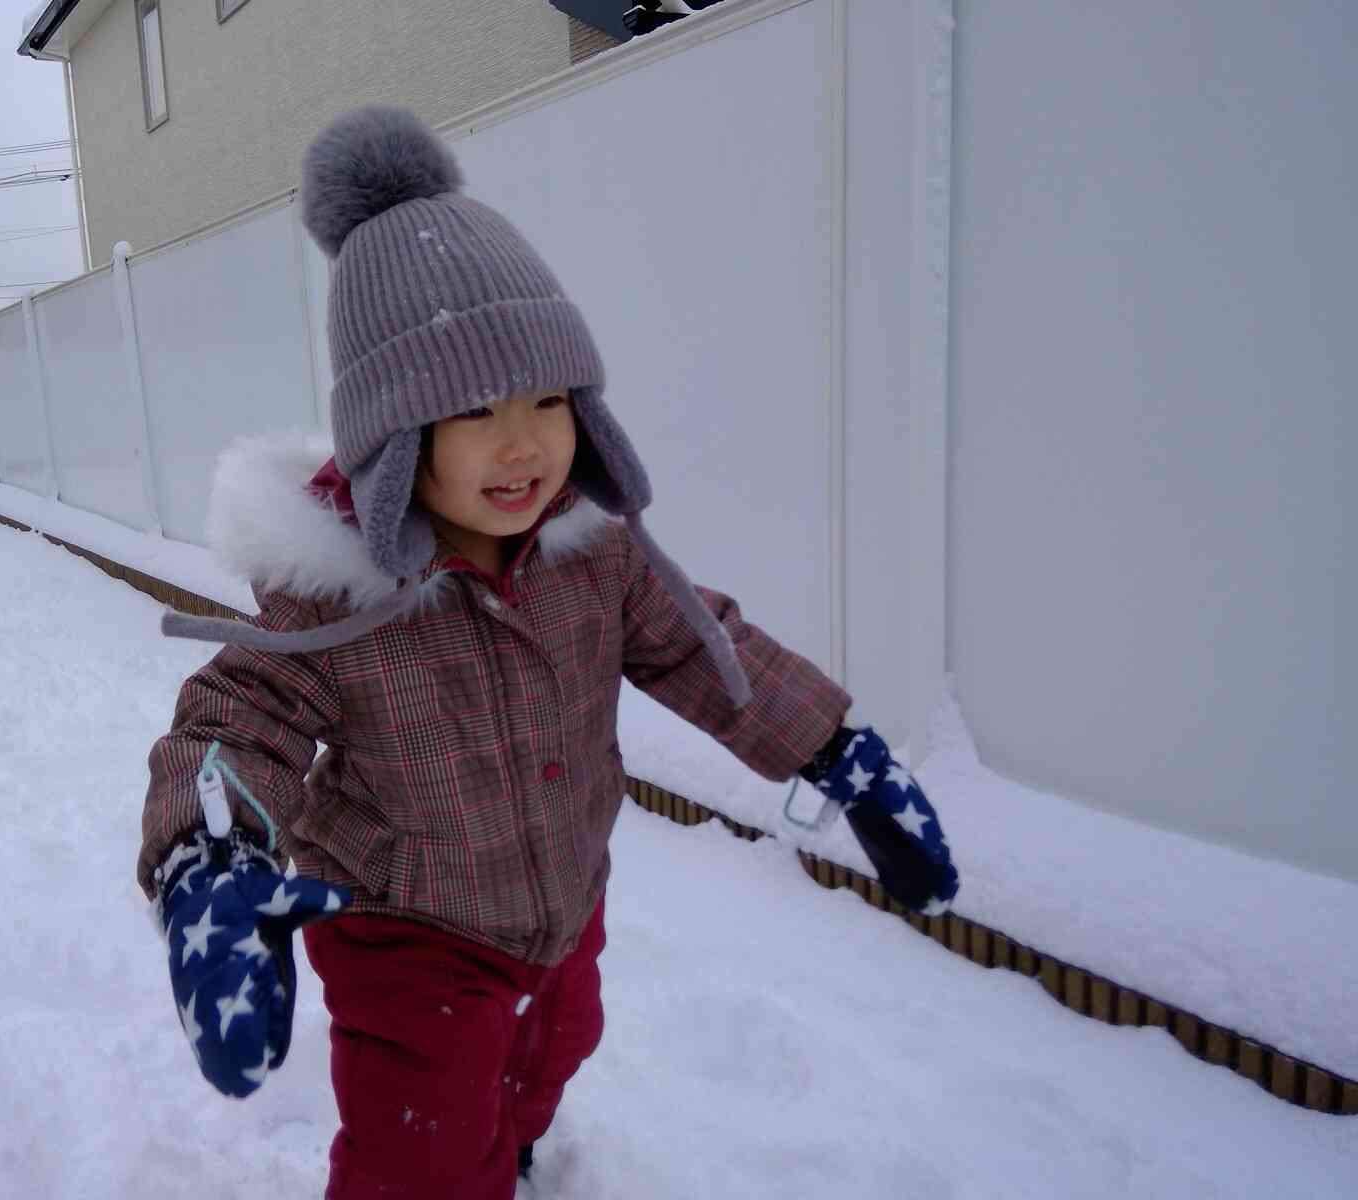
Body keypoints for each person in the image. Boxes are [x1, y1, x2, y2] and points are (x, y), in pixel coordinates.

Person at [140, 105, 959, 1200]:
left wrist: (835, 748)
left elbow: (702, 646)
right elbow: (239, 718)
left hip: (564, 899)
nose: (523, 441)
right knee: (420, 1157)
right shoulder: (337, 598)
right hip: (406, 930)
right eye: (474, 408)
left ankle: (513, 1149)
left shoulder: (592, 554)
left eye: (547, 399)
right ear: (395, 433)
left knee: (553, 1050)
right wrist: (212, 864)